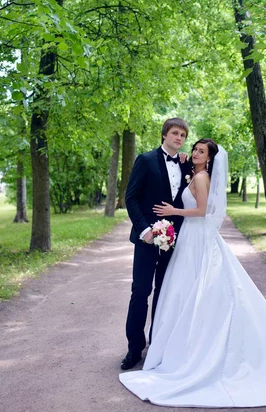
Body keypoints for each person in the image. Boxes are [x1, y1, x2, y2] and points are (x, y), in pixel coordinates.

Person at [119, 138, 266, 407]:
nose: (194, 151)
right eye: (194, 148)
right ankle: (163, 346)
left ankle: (188, 350)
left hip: (195, 237)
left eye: (201, 151)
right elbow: (140, 194)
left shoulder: (201, 177)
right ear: (167, 136)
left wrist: (174, 211)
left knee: (192, 292)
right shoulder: (190, 171)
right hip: (184, 239)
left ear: (210, 158)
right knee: (175, 292)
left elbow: (201, 211)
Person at [120, 117, 190, 371]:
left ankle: (157, 345)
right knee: (141, 292)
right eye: (174, 133)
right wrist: (145, 230)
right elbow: (131, 198)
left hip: (175, 241)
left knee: (165, 292)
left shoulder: (186, 165)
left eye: (183, 135)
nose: (179, 138)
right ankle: (134, 349)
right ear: (164, 135)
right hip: (148, 238)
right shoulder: (145, 160)